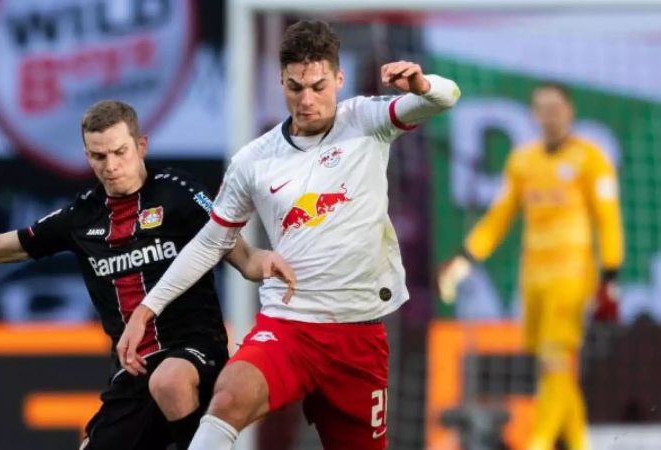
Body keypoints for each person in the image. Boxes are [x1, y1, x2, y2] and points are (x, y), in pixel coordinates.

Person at [0, 100, 295, 450]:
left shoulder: (178, 193)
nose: (111, 165)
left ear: (141, 145)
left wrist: (265, 264)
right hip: (133, 370)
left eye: (120, 152)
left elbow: (241, 256)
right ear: (87, 155)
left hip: (195, 352)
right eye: (98, 156)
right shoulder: (80, 217)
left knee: (171, 380)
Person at [119, 20, 460, 450]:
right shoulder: (255, 160)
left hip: (358, 336)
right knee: (228, 398)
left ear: (339, 78)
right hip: (288, 327)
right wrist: (148, 308)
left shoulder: (367, 120)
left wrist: (421, 83)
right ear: (281, 81)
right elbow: (212, 241)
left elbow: (446, 98)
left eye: (318, 86)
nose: (307, 100)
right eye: (295, 87)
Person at [438, 83, 623, 450]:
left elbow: (608, 219)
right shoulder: (523, 161)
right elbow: (499, 218)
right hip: (534, 277)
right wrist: (464, 258)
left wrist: (610, 277)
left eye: (555, 107)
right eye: (541, 108)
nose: (549, 116)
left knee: (555, 361)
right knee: (552, 369)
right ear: (534, 115)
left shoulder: (591, 158)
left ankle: (538, 442)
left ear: (570, 112)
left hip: (572, 275)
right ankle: (579, 443)